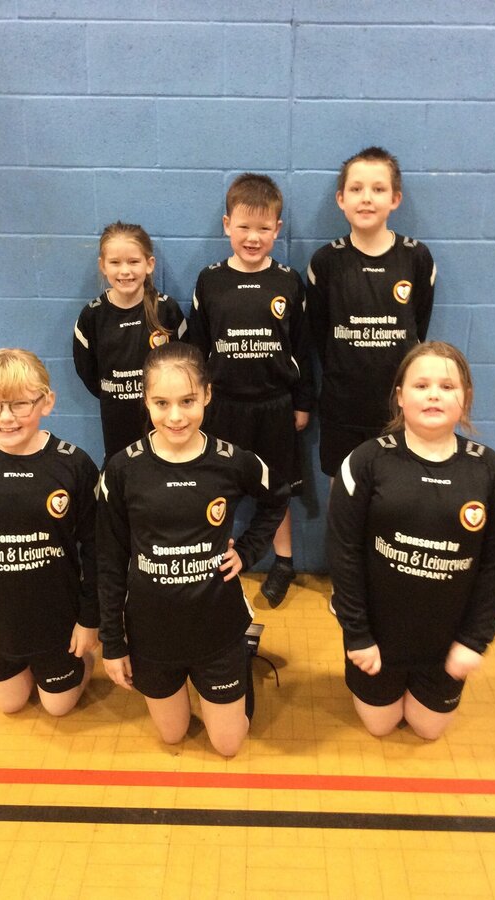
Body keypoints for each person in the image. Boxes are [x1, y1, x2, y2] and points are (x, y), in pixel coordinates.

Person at [98, 342, 289, 757]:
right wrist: (113, 642)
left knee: (228, 745)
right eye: (161, 403)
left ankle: (241, 653)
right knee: (172, 735)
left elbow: (277, 497)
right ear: (145, 400)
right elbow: (109, 560)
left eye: (187, 401)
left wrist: (249, 551)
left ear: (207, 394)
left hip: (216, 627)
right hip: (151, 632)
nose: (175, 416)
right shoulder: (123, 468)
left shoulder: (232, 461)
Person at [326, 341, 495, 740]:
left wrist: (474, 641)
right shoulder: (366, 462)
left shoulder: (492, 473)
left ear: (466, 398)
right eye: (421, 385)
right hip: (378, 638)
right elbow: (344, 555)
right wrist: (357, 635)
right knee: (380, 726)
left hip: (446, 643)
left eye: (447, 387)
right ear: (400, 397)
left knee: (427, 728)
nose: (434, 394)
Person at [0, 348, 101, 717]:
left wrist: (90, 620)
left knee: (57, 707)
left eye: (20, 404)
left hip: (56, 620)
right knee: (10, 705)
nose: (6, 418)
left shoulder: (73, 464)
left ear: (47, 402)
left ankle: (81, 664)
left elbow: (95, 548)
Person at [186, 172, 313, 607]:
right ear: (227, 225)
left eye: (263, 228)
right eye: (243, 226)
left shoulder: (289, 281)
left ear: (278, 229)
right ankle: (213, 559)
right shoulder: (210, 280)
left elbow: (303, 348)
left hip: (275, 406)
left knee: (278, 490)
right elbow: (197, 347)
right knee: (217, 487)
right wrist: (199, 400)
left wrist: (302, 402)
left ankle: (284, 563)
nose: (253, 237)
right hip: (223, 406)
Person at [306, 146, 437, 481]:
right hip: (342, 406)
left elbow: (417, 328)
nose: (366, 198)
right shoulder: (326, 262)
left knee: (395, 489)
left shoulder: (416, 258)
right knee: (343, 488)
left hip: (396, 406)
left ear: (395, 199)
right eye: (356, 189)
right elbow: (320, 334)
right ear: (341, 199)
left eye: (378, 189)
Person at [73, 221, 188, 461]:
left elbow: (188, 363)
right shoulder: (92, 316)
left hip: (165, 417)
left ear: (149, 264)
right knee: (123, 470)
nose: (125, 271)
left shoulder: (166, 310)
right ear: (103, 266)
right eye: (115, 262)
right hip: (117, 419)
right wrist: (115, 392)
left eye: (134, 262)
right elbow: (87, 370)